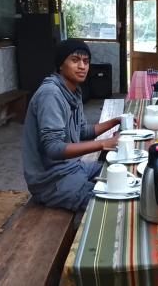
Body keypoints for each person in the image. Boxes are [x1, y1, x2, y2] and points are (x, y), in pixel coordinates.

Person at [23, 38, 121, 211]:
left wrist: (115, 121)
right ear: (61, 65)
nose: (82, 66)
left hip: (73, 167)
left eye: (86, 61)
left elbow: (82, 131)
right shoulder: (50, 94)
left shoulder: (73, 90)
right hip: (51, 181)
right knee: (112, 205)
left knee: (120, 175)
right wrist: (104, 144)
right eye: (75, 60)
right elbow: (53, 149)